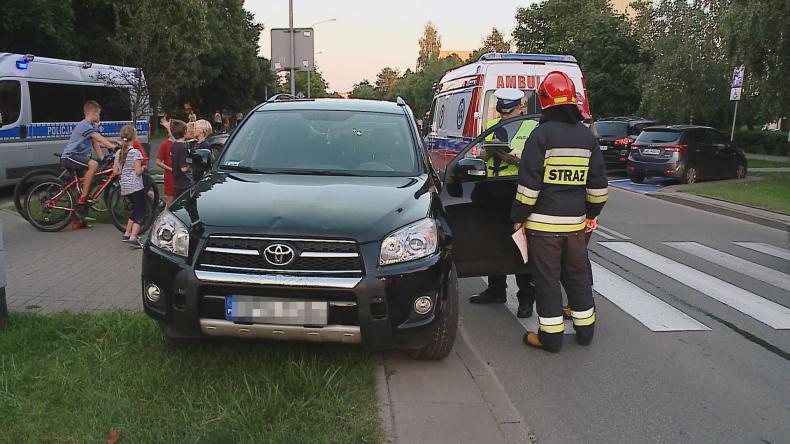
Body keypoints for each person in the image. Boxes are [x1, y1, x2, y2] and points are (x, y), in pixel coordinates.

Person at [511, 71, 607, 352]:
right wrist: (592, 214)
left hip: (543, 228)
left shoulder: (540, 136)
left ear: (544, 100)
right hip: (575, 226)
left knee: (547, 279)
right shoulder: (587, 137)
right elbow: (599, 187)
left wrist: (518, 217)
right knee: (577, 275)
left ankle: (551, 337)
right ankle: (585, 330)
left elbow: (528, 187)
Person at [469, 88, 537, 319]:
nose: (505, 116)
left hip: (519, 190)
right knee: (494, 241)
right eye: (502, 112)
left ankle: (526, 298)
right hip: (492, 190)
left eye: (509, 112)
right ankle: (496, 289)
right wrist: (487, 154)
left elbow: (535, 163)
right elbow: (481, 156)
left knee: (520, 245)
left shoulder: (532, 128)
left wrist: (512, 159)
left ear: (521, 108)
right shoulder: (493, 126)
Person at [61, 101, 118, 214]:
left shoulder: (90, 126)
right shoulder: (84, 125)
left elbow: (95, 141)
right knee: (93, 164)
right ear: (93, 113)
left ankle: (78, 217)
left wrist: (113, 144)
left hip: (78, 157)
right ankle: (83, 197)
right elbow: (99, 138)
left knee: (82, 184)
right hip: (70, 156)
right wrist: (113, 146)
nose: (99, 116)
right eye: (99, 114)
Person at [113, 125, 146, 248]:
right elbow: (138, 171)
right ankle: (133, 237)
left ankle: (127, 234)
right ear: (134, 137)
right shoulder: (135, 153)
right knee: (141, 212)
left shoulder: (118, 153)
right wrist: (143, 167)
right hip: (136, 186)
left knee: (135, 209)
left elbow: (115, 171)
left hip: (125, 187)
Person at [169, 119, 192, 198]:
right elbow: (183, 168)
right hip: (184, 182)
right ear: (185, 132)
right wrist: (191, 162)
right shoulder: (183, 147)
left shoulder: (174, 145)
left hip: (176, 181)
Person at [155, 116, 176, 207]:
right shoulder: (165, 144)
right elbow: (158, 161)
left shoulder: (180, 143)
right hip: (170, 176)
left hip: (180, 177)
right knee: (170, 200)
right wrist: (170, 169)